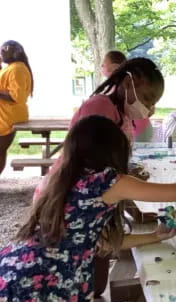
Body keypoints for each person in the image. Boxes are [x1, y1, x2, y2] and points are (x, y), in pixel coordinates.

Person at [0, 115, 176, 302]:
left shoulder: (64, 179)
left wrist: (155, 235)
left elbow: (101, 243)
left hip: (16, 269)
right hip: (38, 281)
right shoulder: (107, 181)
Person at [33, 57, 163, 200]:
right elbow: (95, 163)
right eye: (146, 99)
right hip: (65, 196)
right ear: (127, 83)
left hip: (84, 193)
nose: (149, 109)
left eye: (152, 104)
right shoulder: (100, 107)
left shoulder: (122, 113)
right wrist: (127, 176)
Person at [0, 40, 33, 175]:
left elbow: (16, 97)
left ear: (16, 52)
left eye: (5, 48)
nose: (1, 51)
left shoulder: (17, 68)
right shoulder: (11, 68)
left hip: (7, 118)